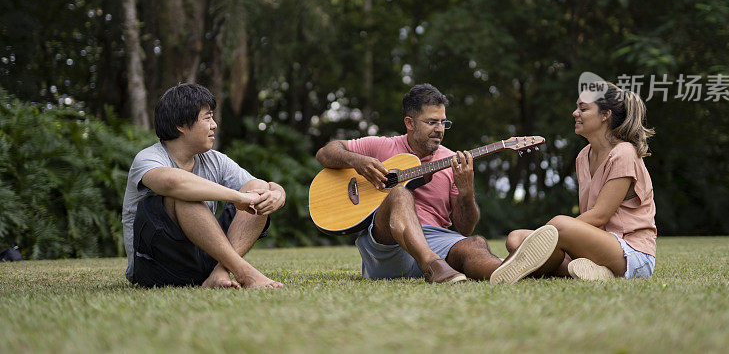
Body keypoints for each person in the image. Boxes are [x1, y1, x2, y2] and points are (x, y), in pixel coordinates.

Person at [315, 83, 558, 284]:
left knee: (475, 244)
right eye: (432, 122)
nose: (440, 129)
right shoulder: (382, 146)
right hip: (389, 244)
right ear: (410, 123)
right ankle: (432, 266)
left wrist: (466, 189)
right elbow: (326, 153)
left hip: (437, 239)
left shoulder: (451, 160)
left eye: (443, 122)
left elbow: (464, 229)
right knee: (400, 195)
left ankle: (508, 271)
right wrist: (357, 160)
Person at [121, 83, 286, 289]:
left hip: (204, 262)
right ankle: (245, 273)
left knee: (258, 186)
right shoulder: (148, 158)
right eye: (207, 118)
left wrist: (277, 193)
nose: (214, 125)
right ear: (181, 124)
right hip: (156, 267)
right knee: (181, 194)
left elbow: (260, 185)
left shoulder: (214, 159)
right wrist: (239, 198)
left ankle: (220, 272)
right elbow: (172, 182)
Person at [505, 81, 657, 280]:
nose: (575, 113)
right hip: (594, 246)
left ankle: (522, 266)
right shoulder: (583, 156)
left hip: (631, 253)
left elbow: (600, 215)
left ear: (605, 115)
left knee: (559, 225)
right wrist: (544, 237)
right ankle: (595, 272)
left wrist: (547, 235)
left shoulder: (624, 153)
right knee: (515, 238)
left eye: (583, 108)